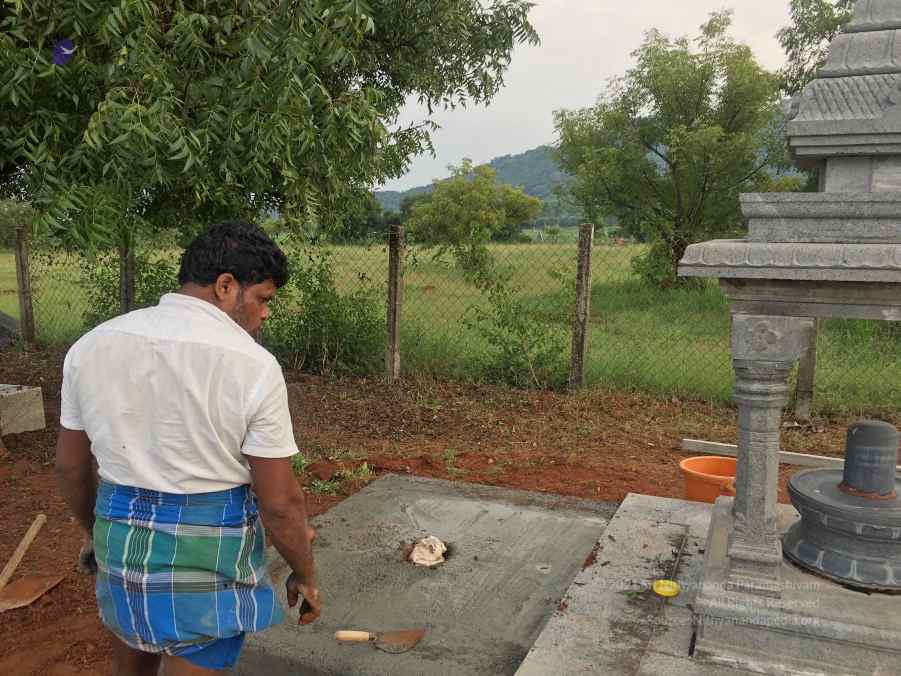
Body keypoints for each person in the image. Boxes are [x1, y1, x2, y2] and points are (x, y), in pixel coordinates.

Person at [55, 221, 321, 675]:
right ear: (225, 286)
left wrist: (97, 533)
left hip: (121, 546)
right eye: (263, 299)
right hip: (208, 557)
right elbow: (279, 503)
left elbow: (71, 467)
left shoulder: (92, 346)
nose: (264, 314)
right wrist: (305, 572)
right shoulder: (252, 365)